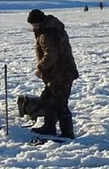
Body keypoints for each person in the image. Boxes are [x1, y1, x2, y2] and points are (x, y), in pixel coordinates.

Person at [27, 8, 79, 138]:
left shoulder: (47, 34)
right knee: (49, 99)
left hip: (60, 74)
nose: (32, 27)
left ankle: (67, 132)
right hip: (61, 72)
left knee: (59, 102)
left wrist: (41, 68)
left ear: (37, 22)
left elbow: (50, 55)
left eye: (33, 24)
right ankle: (49, 127)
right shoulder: (54, 28)